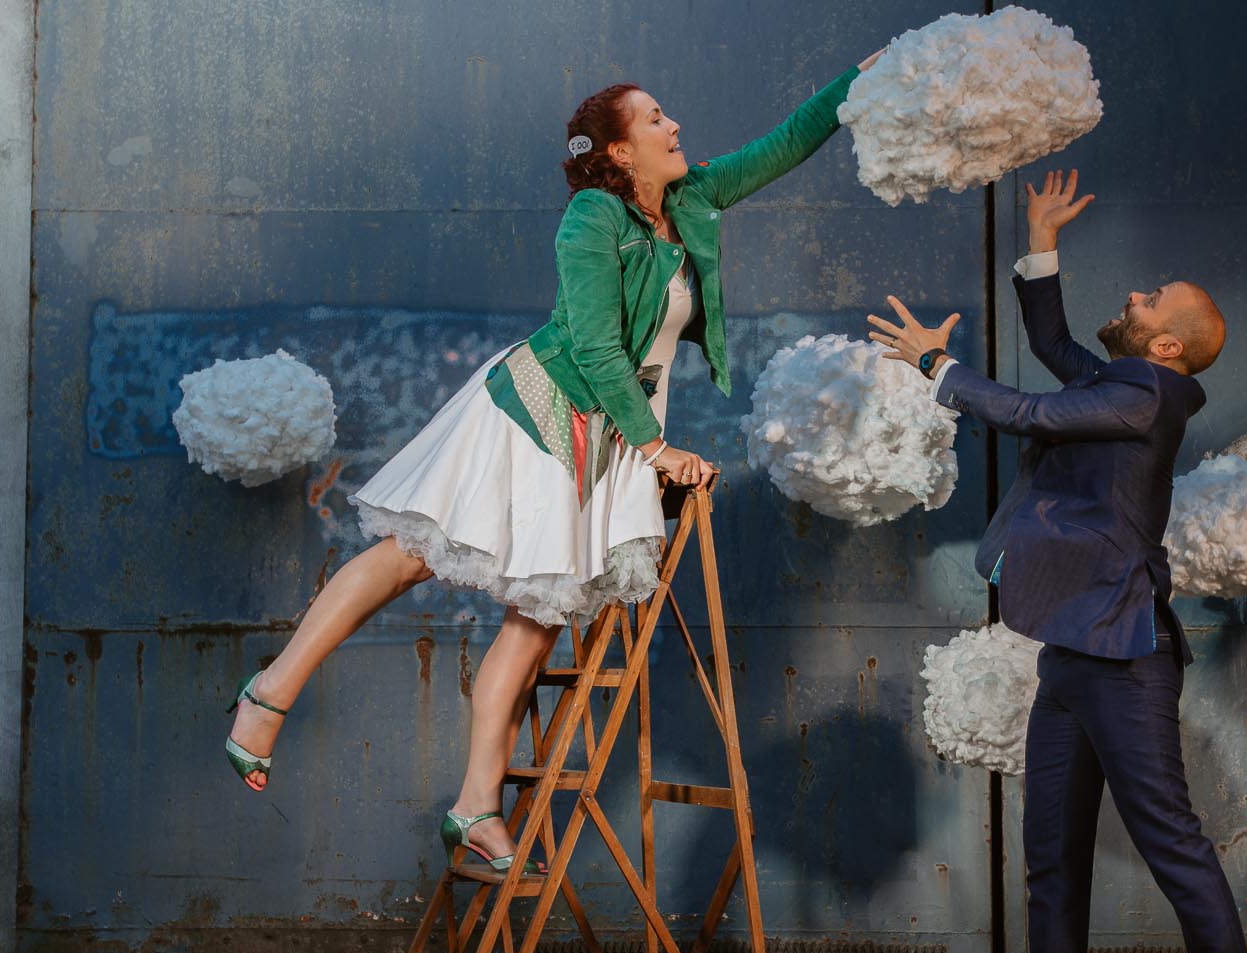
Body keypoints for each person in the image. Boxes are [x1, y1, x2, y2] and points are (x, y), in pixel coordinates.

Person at [223, 47, 886, 872]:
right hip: (543, 411)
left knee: (536, 620)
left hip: (609, 431)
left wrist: (861, 80)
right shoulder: (591, 220)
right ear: (618, 151)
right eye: (654, 118)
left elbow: (787, 141)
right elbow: (596, 346)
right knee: (408, 557)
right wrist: (656, 447)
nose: (674, 124)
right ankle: (267, 695)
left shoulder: (693, 198)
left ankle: (475, 808)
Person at [868, 169, 1247, 953]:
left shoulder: (1151, 398)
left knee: (1174, 848)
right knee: (1052, 846)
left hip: (1126, 656)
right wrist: (1041, 244)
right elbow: (1051, 346)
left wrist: (937, 369)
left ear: (1166, 344)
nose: (1130, 296)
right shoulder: (1124, 382)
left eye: (1148, 299)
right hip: (1072, 653)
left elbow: (1031, 413)